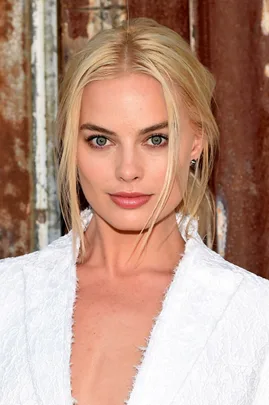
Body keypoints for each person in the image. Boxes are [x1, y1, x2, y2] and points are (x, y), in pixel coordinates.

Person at [0, 17, 269, 405]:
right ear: (71, 146)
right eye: (100, 140)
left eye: (156, 139)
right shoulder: (8, 296)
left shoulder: (254, 317)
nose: (128, 170)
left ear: (196, 142)